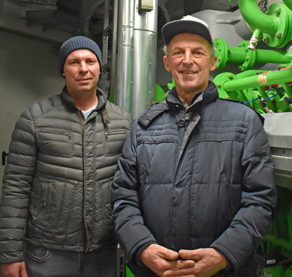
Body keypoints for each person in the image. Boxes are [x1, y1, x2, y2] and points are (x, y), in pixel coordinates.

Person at [112, 16, 276, 276]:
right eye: (178, 53)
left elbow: (260, 201)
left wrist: (223, 253)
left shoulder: (244, 123)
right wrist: (143, 248)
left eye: (197, 52)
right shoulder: (143, 128)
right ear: (167, 63)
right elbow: (123, 197)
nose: (187, 60)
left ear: (212, 62)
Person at [0, 36, 132, 277]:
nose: (83, 68)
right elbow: (15, 188)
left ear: (99, 69)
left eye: (90, 61)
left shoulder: (123, 122)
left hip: (102, 253)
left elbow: (131, 186)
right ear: (63, 70)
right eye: (74, 62)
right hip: (47, 252)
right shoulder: (35, 118)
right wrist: (10, 254)